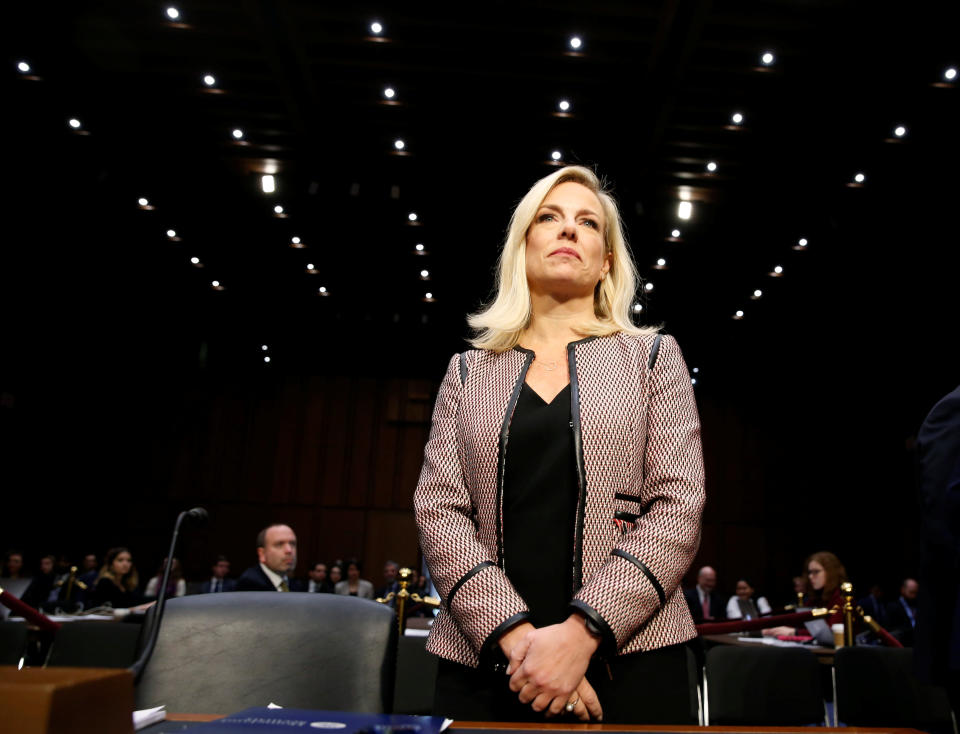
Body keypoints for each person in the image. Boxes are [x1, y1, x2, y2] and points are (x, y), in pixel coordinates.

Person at [413, 166, 705, 723]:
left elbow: (677, 509)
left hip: (633, 657)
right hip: (486, 661)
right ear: (522, 247)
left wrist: (580, 635)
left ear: (607, 261)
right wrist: (521, 644)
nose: (568, 230)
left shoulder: (652, 359)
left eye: (587, 223)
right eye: (549, 218)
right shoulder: (468, 371)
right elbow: (439, 512)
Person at [236, 524, 303, 591]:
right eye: (279, 544)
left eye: (292, 544)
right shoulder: (250, 584)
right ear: (262, 554)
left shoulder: (296, 584)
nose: (289, 550)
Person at [884, 578, 919, 647]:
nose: (914, 596)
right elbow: (890, 629)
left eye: (916, 593)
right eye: (911, 592)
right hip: (901, 645)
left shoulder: (918, 605)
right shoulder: (893, 607)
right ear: (903, 590)